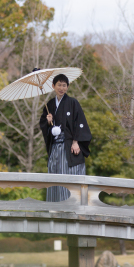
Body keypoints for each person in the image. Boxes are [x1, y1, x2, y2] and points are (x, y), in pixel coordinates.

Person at [39, 73, 92, 202]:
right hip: (55, 148)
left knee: (70, 176)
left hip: (69, 147)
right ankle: (54, 208)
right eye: (59, 85)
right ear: (53, 86)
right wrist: (48, 121)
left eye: (64, 85)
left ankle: (71, 206)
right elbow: (45, 126)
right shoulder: (50, 105)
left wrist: (76, 142)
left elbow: (80, 122)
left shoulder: (73, 102)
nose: (61, 88)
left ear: (67, 87)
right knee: (55, 177)